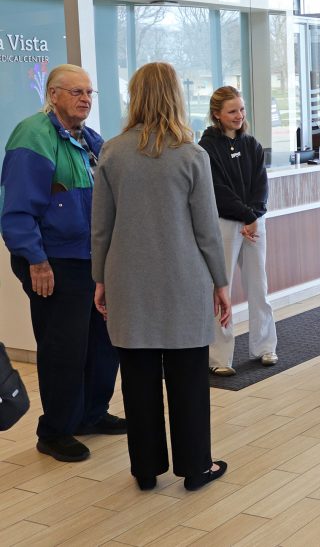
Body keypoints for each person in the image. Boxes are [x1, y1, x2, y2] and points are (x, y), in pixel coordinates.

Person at [91, 62, 230, 492]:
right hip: (184, 279)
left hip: (128, 279)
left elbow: (101, 227)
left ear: (135, 96)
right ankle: (194, 468)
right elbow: (207, 229)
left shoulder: (112, 153)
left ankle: (146, 470)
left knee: (137, 378)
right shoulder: (192, 155)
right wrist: (221, 283)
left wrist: (100, 279)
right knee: (189, 378)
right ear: (176, 96)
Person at [0, 63, 125, 463]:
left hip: (92, 259)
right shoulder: (33, 135)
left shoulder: (90, 139)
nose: (85, 98)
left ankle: (90, 414)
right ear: (53, 95)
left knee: (101, 344)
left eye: (89, 92)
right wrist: (35, 259)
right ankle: (55, 430)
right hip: (55, 260)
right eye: (76, 92)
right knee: (63, 348)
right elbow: (16, 208)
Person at [199, 86, 276, 376]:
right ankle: (220, 357)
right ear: (217, 114)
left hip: (254, 222)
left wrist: (254, 215)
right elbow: (216, 190)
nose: (239, 116)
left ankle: (265, 346)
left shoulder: (252, 145)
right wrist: (246, 215)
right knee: (223, 288)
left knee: (260, 286)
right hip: (225, 223)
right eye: (232, 111)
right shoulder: (206, 148)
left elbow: (261, 185)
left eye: (241, 110)